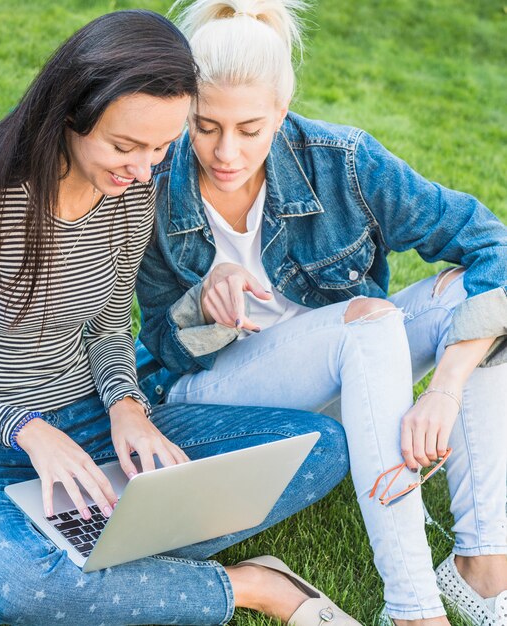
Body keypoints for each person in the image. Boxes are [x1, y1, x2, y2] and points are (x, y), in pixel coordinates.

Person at [0, 9, 354, 626]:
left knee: (318, 447)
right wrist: (30, 431)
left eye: (161, 148)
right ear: (70, 115)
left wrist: (127, 410)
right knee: (28, 590)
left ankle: (97, 555)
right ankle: (251, 585)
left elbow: (106, 329)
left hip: (94, 419)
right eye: (125, 147)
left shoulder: (132, 193)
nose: (144, 171)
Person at [135, 1, 507, 625]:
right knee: (370, 318)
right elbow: (156, 354)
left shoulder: (343, 160)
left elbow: (491, 247)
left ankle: (484, 569)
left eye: (250, 129)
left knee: (473, 304)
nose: (225, 151)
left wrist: (443, 389)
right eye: (205, 126)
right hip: (218, 395)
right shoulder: (154, 179)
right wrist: (203, 303)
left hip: (353, 369)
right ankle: (415, 609)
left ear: (282, 112)